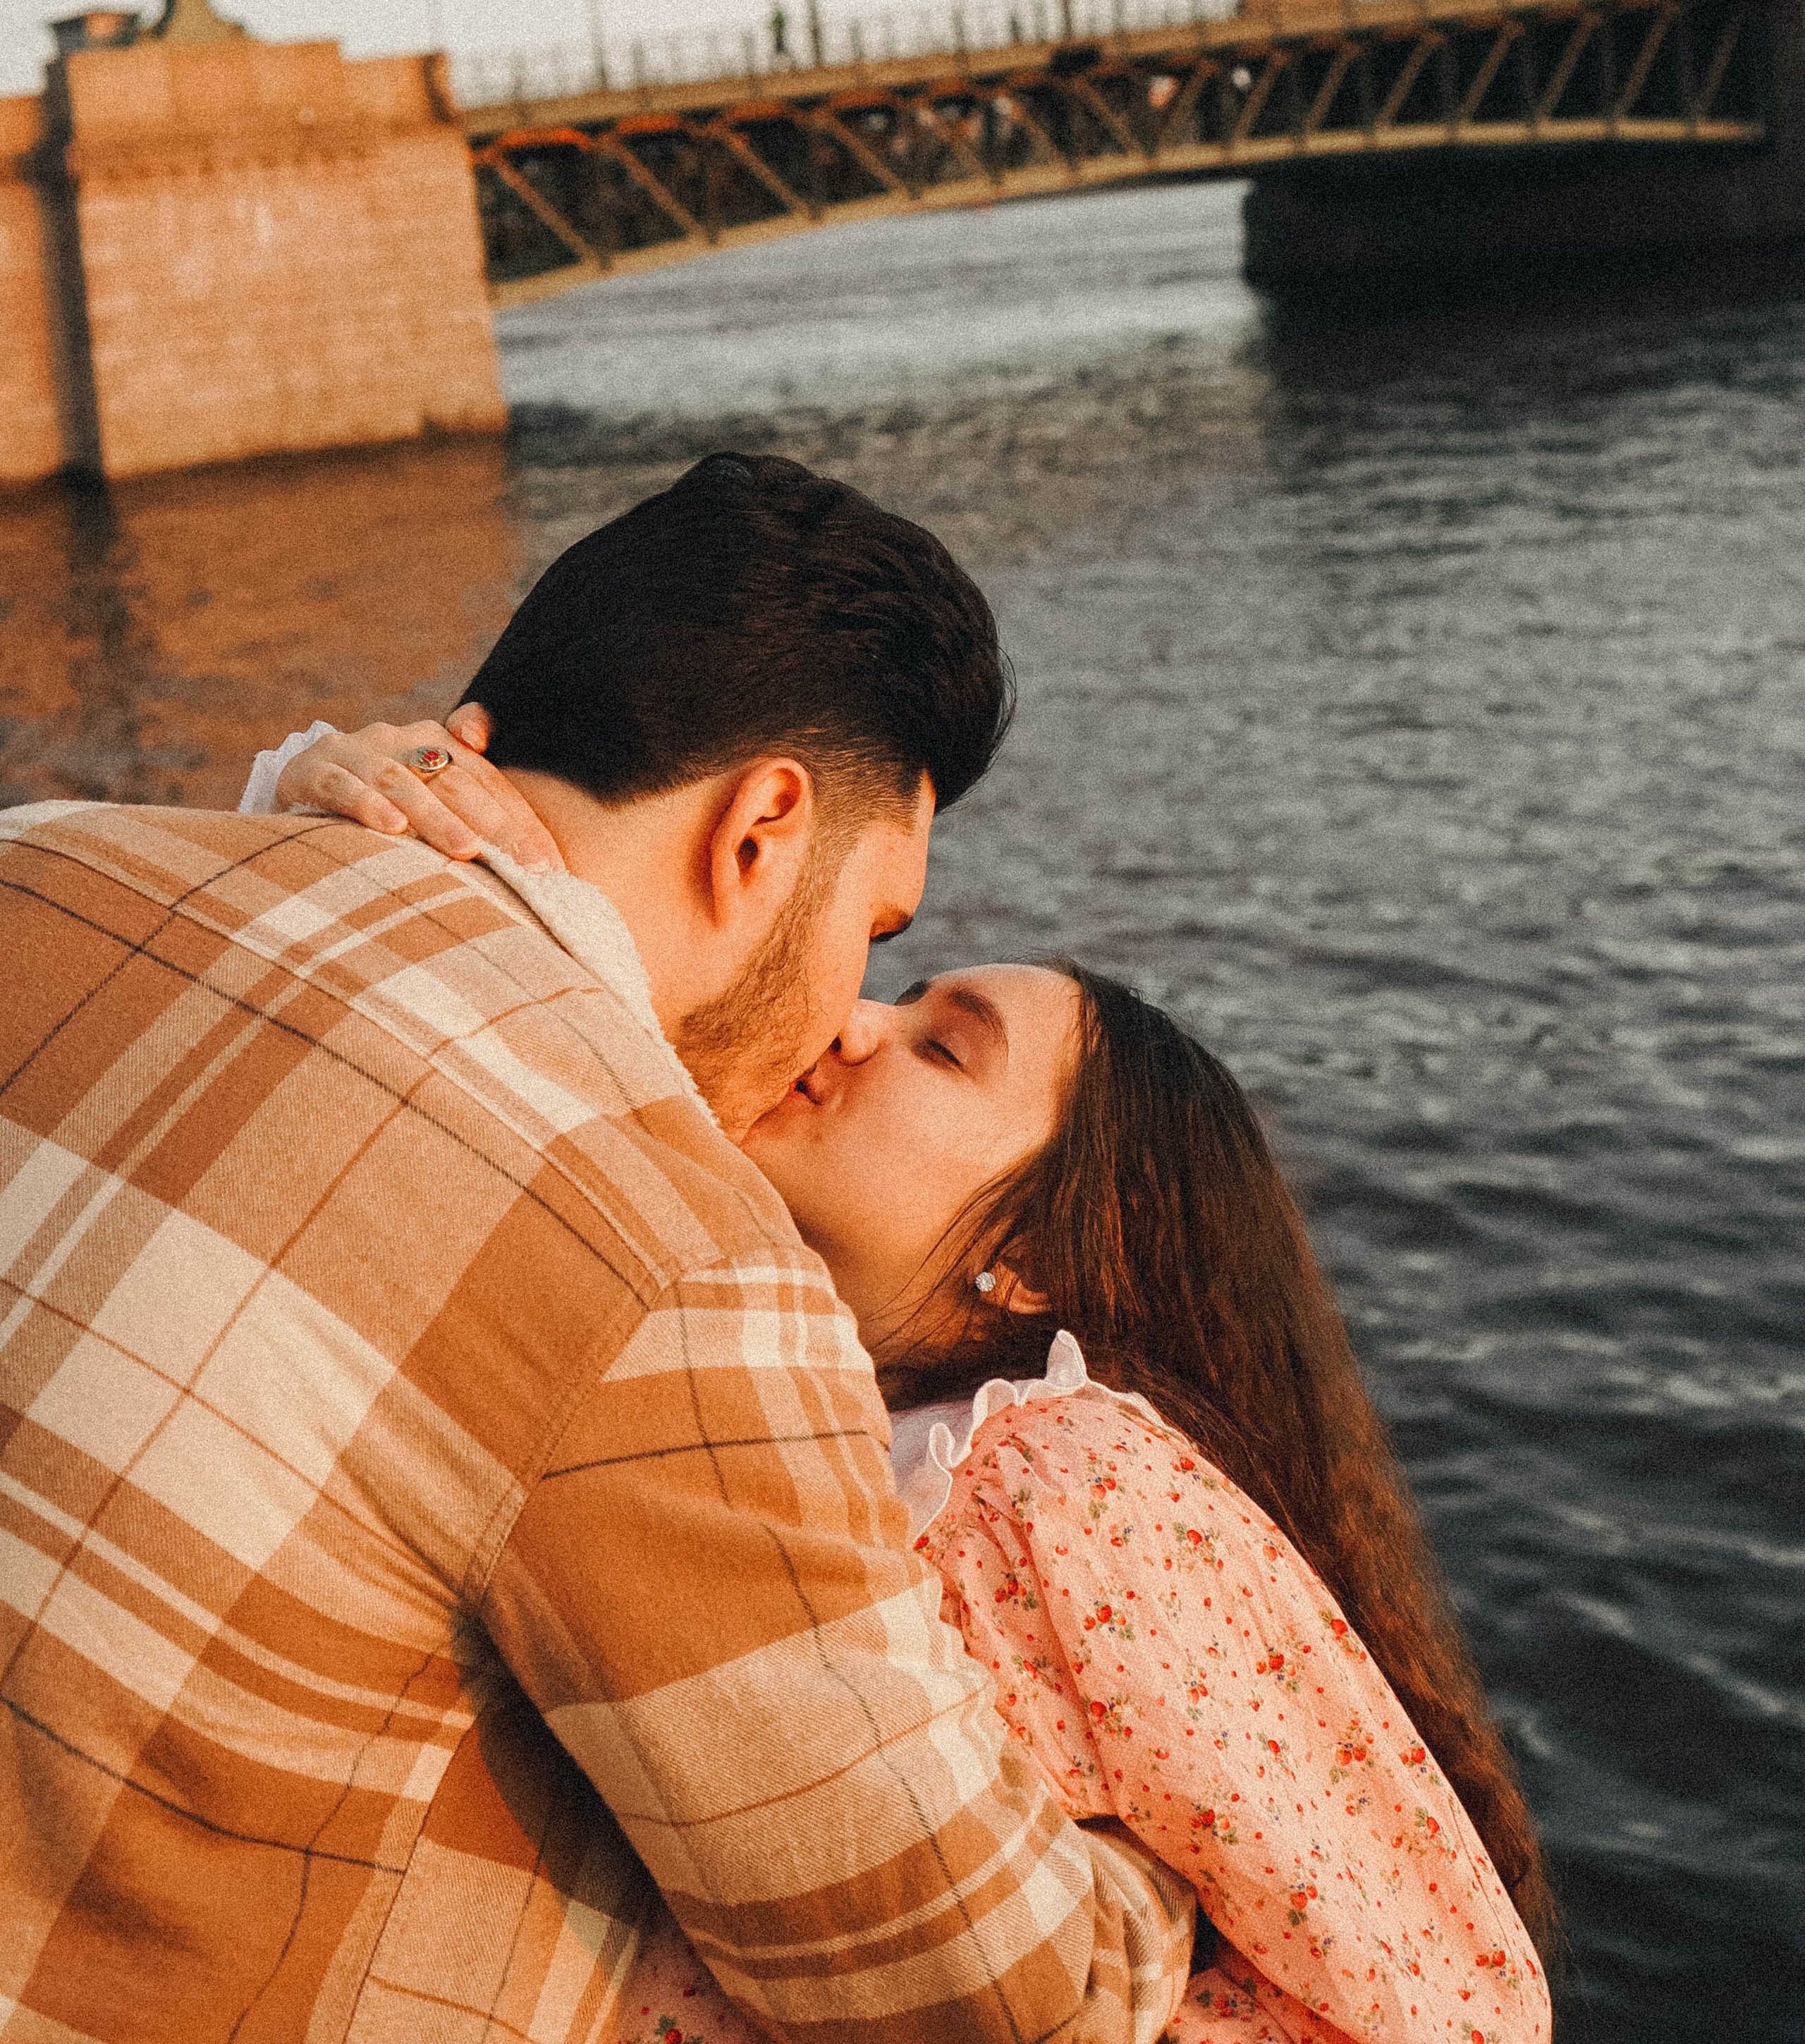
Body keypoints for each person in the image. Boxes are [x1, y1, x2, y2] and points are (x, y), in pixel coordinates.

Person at [0, 454, 1199, 2044]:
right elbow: (985, 2000)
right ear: (762, 828)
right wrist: (1168, 1879)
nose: (845, 1011)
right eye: (876, 929)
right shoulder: (662, 1254)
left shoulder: (41, 855)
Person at [261, 774, 1557, 2042]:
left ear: (1045, 1253)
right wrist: (355, 803)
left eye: (943, 1047)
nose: (851, 1022)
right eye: (902, 991)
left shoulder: (1068, 1479)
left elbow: (1445, 2005)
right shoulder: (768, 1396)